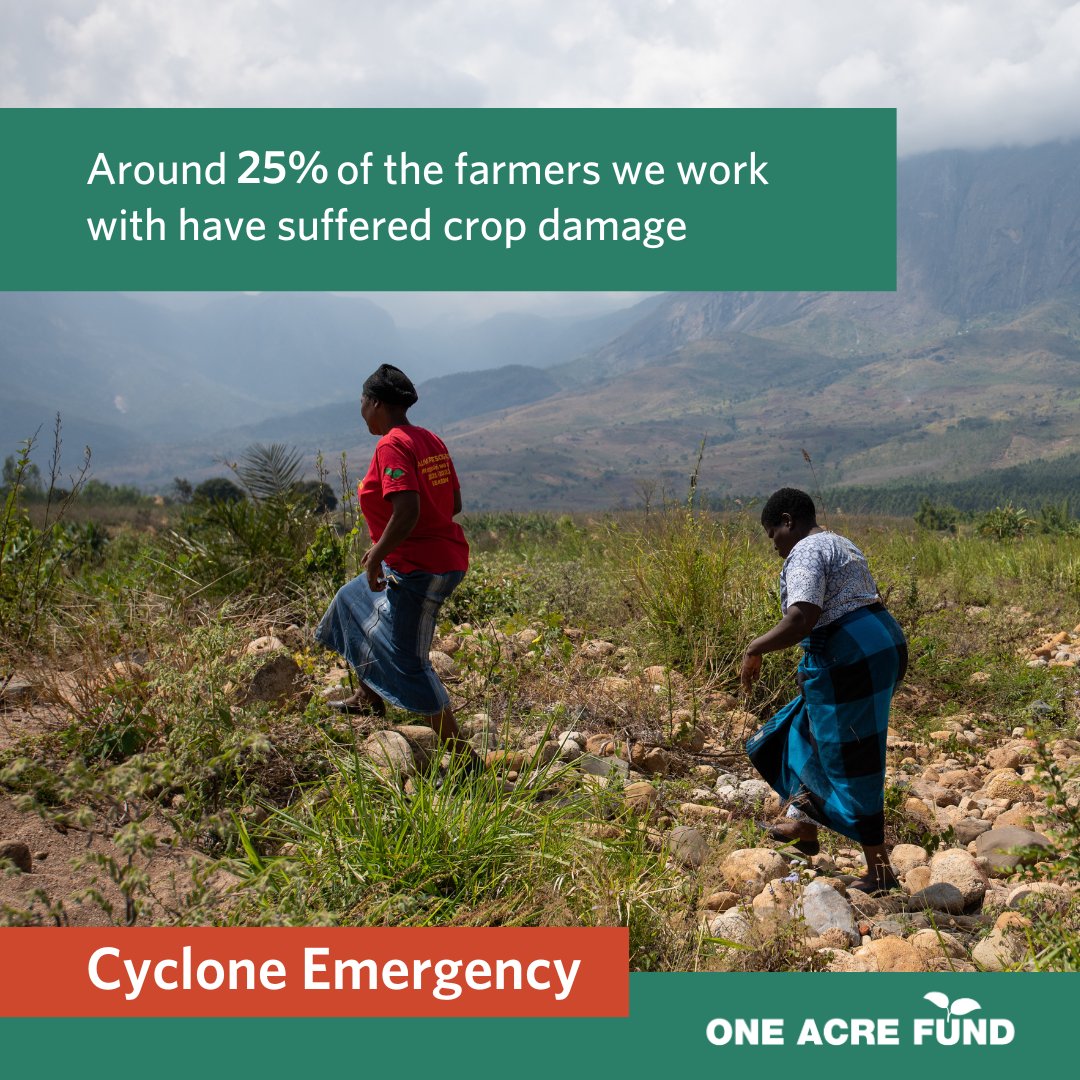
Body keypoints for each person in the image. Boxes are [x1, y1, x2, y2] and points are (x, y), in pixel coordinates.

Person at [740, 488, 907, 895]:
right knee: (805, 728)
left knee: (852, 754)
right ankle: (802, 824)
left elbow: (803, 616)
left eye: (772, 535)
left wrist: (754, 648)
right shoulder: (840, 543)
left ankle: (880, 870)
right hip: (880, 644)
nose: (775, 547)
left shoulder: (806, 550)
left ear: (786, 521)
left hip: (852, 655)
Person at [315, 364, 474, 759]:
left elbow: (407, 511)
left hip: (421, 566)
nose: (361, 410)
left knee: (407, 659)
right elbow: (453, 503)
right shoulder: (429, 439)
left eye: (362, 402)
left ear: (375, 403)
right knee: (350, 601)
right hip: (429, 557)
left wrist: (376, 556)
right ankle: (367, 697)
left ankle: (461, 757)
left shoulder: (392, 445)